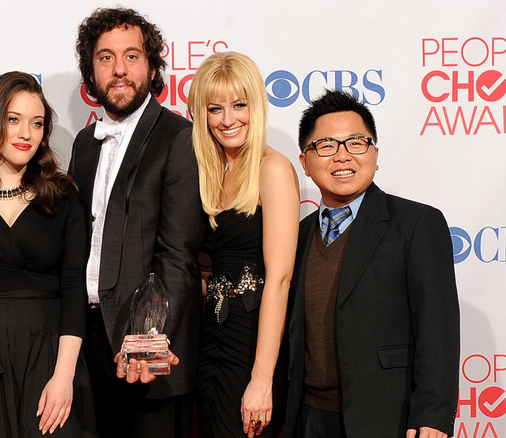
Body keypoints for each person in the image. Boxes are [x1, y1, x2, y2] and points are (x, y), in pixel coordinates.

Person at [284, 89, 460, 438]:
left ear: (375, 154)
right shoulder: (296, 234)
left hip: (388, 417)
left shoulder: (416, 223)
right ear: (305, 162)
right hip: (308, 419)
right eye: (327, 146)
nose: (342, 156)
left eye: (356, 143)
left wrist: (433, 416)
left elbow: (437, 328)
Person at [68, 7, 207, 438]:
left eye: (132, 56)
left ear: (151, 65)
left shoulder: (178, 136)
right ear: (91, 71)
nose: (120, 69)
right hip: (89, 343)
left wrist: (146, 339)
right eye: (106, 57)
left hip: (149, 348)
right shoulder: (84, 144)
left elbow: (178, 255)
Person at [0, 71, 95, 438]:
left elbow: (74, 288)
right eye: (14, 120)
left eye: (37, 123)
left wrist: (63, 376)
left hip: (48, 353)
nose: (26, 133)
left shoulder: (62, 197)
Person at [187, 52, 299, 438]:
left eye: (239, 105)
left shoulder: (273, 168)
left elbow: (280, 278)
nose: (228, 119)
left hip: (252, 341)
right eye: (215, 108)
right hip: (211, 335)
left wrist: (262, 378)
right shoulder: (209, 170)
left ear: (257, 105)